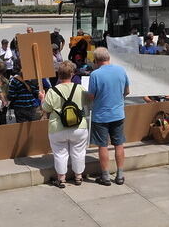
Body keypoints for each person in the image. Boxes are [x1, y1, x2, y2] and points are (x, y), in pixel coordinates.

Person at [41, 61, 89, 188]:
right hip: (79, 126)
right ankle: (78, 176)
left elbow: (46, 108)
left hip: (57, 127)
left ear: (58, 74)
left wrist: (42, 98)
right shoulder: (80, 88)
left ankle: (61, 179)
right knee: (79, 152)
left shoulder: (52, 91)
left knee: (60, 153)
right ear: (72, 74)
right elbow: (87, 103)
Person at [86, 47, 129, 186]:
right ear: (108, 58)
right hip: (118, 114)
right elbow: (127, 91)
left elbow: (91, 96)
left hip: (101, 115)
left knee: (102, 146)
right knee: (119, 144)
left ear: (96, 60)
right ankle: (120, 175)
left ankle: (105, 176)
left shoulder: (95, 75)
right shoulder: (121, 70)